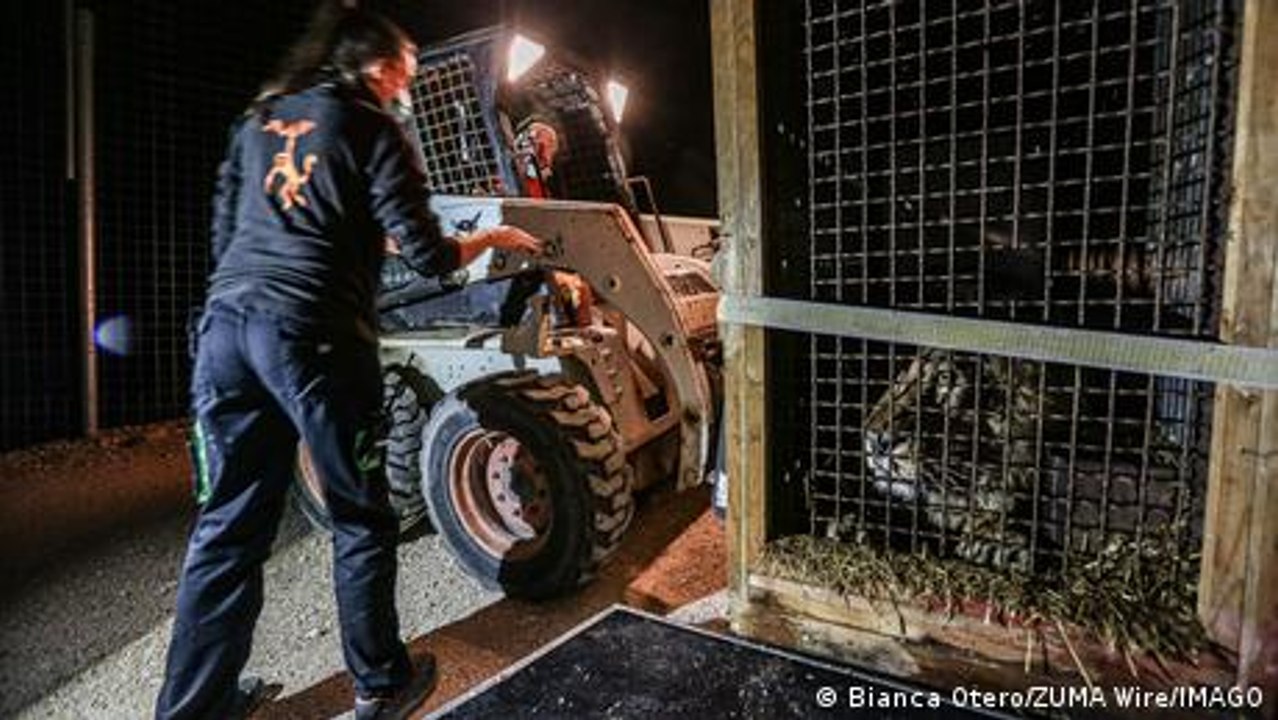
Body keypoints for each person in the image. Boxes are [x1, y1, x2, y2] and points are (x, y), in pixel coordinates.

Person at [155, 4, 542, 719]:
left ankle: (192, 707)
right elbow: (427, 250)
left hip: (225, 333)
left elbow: (234, 233)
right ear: (381, 66)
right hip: (315, 340)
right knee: (360, 517)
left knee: (227, 526)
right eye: (407, 72)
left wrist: (347, 245)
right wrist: (490, 238)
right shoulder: (372, 125)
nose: (407, 85)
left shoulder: (257, 121)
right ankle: (381, 684)